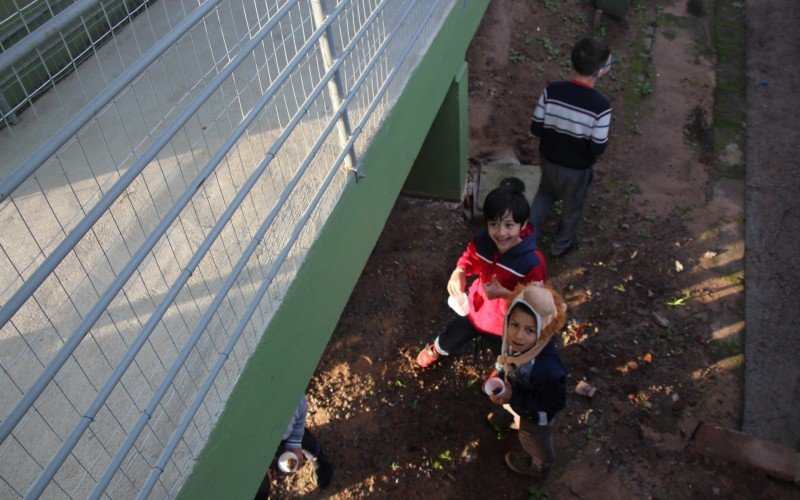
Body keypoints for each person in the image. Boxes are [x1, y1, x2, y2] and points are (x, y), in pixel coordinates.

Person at [416, 179, 547, 368]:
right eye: (494, 224)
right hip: (475, 310)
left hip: (506, 325)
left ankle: (503, 373)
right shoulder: (482, 242)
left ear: (523, 225)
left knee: (507, 357)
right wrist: (459, 271)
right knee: (450, 337)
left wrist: (505, 294)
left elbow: (537, 301)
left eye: (509, 225)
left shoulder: (532, 262)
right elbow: (469, 258)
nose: (501, 233)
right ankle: (436, 349)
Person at [529, 36, 614, 257]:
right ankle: (560, 245)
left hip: (548, 161)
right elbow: (597, 148)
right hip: (576, 172)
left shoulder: (552, 91)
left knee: (544, 195)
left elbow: (536, 128)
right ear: (601, 71)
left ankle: (526, 238)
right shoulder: (601, 107)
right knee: (572, 207)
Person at [485, 281, 567, 478]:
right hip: (517, 396)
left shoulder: (547, 370)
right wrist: (499, 376)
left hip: (536, 417)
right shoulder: (514, 345)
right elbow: (506, 360)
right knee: (513, 409)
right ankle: (515, 418)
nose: (518, 335)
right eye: (514, 325)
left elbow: (552, 403)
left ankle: (540, 466)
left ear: (544, 330)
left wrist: (513, 397)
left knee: (533, 440)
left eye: (529, 330)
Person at [255, 395, 333, 498]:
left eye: (268, 476)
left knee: (292, 432)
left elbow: (298, 404)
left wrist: (294, 444)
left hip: (276, 426)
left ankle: (317, 454)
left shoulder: (277, 418)